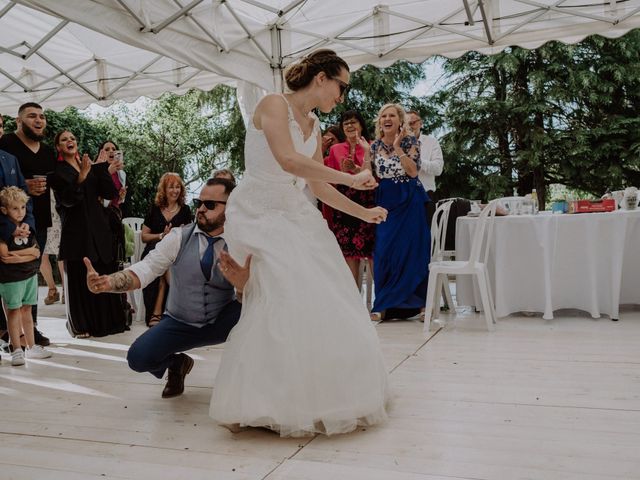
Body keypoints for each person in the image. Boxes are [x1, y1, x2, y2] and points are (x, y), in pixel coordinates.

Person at [209, 49, 389, 437]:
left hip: (295, 213)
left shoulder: (316, 126)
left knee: (325, 293)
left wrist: (363, 213)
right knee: (277, 295)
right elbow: (289, 162)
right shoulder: (273, 104)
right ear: (321, 78)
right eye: (341, 86)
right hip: (258, 212)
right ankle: (257, 400)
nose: (341, 97)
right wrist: (352, 179)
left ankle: (315, 396)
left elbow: (317, 185)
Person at [84, 178, 244, 399]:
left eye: (210, 205)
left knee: (263, 315)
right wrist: (109, 283)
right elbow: (147, 268)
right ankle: (177, 364)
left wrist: (243, 285)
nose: (200, 209)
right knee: (138, 358)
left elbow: (258, 291)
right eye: (199, 202)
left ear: (231, 207)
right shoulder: (178, 237)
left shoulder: (241, 242)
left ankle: (249, 389)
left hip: (224, 320)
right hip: (180, 322)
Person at [49, 129, 127, 338]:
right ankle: (81, 325)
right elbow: (67, 200)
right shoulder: (56, 171)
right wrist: (82, 176)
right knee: (80, 277)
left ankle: (109, 322)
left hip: (99, 227)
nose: (70, 141)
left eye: (73, 137)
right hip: (76, 230)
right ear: (58, 147)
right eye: (64, 139)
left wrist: (101, 167)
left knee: (104, 270)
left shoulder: (90, 165)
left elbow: (109, 193)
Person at [0, 102, 56, 346]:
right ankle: (8, 332)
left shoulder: (46, 152)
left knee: (29, 275)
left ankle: (29, 329)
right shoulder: (6, 144)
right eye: (32, 116)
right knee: (7, 280)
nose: (39, 120)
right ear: (18, 121)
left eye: (42, 116)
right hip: (5, 226)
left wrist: (28, 224)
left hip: (34, 223)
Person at [369, 104, 430, 321]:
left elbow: (413, 172)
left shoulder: (411, 142)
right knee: (384, 250)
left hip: (409, 199)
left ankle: (422, 305)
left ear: (399, 120)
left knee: (413, 250)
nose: (387, 118)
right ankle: (383, 304)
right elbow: (370, 174)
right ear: (379, 121)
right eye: (383, 115)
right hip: (386, 200)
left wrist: (398, 147)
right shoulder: (374, 146)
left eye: (392, 115)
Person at [0, 186, 52, 365]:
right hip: (11, 279)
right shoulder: (4, 232)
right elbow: (4, 257)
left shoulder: (27, 228)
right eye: (15, 208)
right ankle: (15, 349)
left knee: (27, 310)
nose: (20, 212)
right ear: (4, 210)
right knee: (13, 312)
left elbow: (36, 253)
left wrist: (22, 254)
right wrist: (27, 254)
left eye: (22, 207)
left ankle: (31, 347)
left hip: (29, 276)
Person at [322, 110, 376, 283]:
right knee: (349, 256)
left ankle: (379, 306)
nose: (350, 126)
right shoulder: (336, 149)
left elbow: (374, 175)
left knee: (373, 253)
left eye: (354, 122)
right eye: (346, 123)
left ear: (361, 125)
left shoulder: (372, 145)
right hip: (345, 202)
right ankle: (354, 304)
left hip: (368, 200)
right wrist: (343, 173)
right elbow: (329, 176)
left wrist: (356, 170)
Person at [140, 173, 192, 327]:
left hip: (176, 252)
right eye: (171, 187)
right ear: (164, 189)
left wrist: (180, 234)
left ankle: (157, 313)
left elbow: (188, 236)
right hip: (154, 250)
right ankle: (181, 308)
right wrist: (162, 235)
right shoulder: (155, 209)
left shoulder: (185, 210)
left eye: (178, 187)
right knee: (164, 263)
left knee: (168, 263)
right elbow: (144, 237)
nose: (175, 191)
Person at [406, 110, 444, 225]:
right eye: (407, 123)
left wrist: (418, 162)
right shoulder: (397, 144)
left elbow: (438, 169)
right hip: (403, 197)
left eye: (413, 122)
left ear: (421, 123)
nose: (410, 126)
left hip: (426, 197)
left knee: (427, 238)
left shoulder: (432, 142)